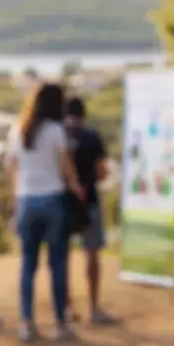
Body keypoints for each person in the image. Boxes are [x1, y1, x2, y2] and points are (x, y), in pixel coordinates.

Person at [7, 83, 85, 342]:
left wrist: (14, 200)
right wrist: (77, 188)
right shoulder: (55, 131)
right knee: (57, 264)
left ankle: (26, 323)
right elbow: (66, 167)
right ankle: (60, 324)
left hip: (26, 200)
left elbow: (11, 167)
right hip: (52, 199)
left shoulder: (18, 129)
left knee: (28, 264)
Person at [65, 97, 116, 325]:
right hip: (89, 201)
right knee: (92, 254)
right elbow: (102, 173)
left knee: (61, 256)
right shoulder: (90, 136)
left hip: (64, 202)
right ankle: (93, 308)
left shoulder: (59, 135)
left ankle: (65, 308)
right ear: (83, 114)